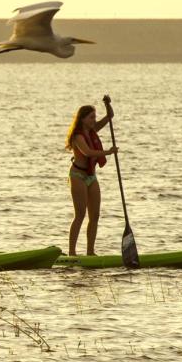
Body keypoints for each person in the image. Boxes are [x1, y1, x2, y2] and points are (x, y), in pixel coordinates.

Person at [65, 98, 117, 256]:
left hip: (91, 177)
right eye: (91, 118)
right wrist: (108, 152)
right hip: (77, 176)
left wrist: (107, 104)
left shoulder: (92, 130)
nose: (94, 120)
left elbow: (110, 116)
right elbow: (87, 152)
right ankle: (72, 253)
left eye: (95, 117)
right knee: (80, 215)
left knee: (95, 215)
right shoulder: (78, 137)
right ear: (82, 119)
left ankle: (90, 252)